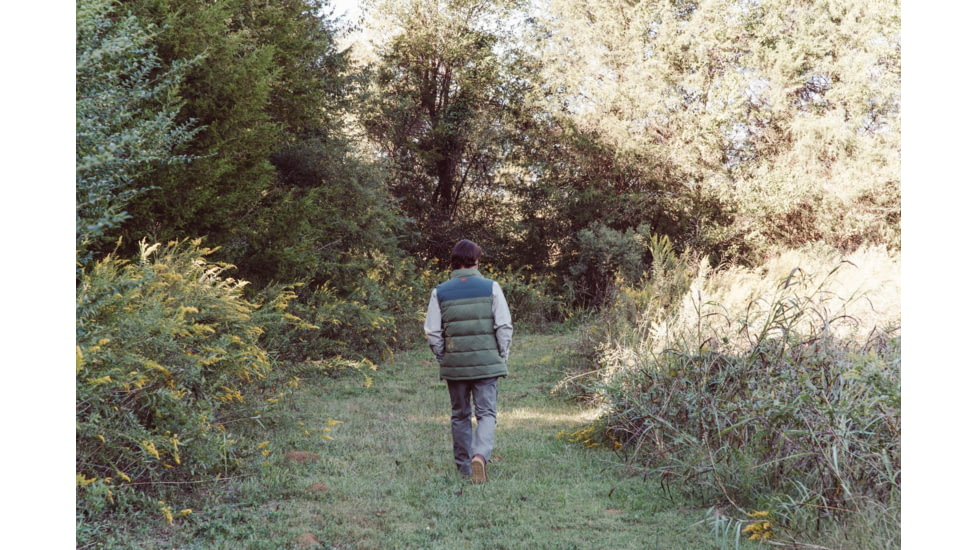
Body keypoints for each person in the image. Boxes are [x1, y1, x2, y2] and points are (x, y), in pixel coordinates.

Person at [423, 239, 513, 484]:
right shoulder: (491, 287)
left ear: (454, 261)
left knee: (460, 415)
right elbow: (504, 326)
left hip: (456, 365)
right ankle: (480, 457)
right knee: (486, 414)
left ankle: (464, 467)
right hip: (487, 363)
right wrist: (500, 355)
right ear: (477, 260)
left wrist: (444, 356)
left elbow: (432, 333)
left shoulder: (439, 291)